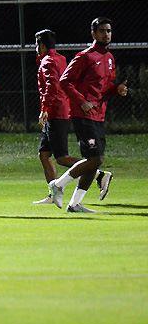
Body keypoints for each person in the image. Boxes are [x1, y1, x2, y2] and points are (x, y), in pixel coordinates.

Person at [48, 17, 128, 213]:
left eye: (108, 31)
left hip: (98, 115)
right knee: (95, 159)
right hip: (83, 115)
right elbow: (65, 81)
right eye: (102, 31)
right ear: (93, 33)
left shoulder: (109, 58)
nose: (106, 34)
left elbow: (105, 87)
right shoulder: (85, 56)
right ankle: (58, 185)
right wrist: (82, 101)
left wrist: (116, 89)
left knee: (94, 160)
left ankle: (74, 204)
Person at [32, 28, 111, 205]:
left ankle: (99, 174)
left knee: (62, 158)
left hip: (56, 112)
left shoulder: (47, 61)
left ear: (41, 45)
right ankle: (53, 195)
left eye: (36, 45)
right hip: (59, 110)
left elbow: (52, 86)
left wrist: (45, 108)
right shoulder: (60, 59)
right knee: (44, 154)